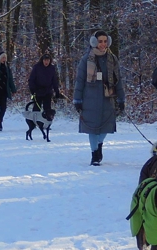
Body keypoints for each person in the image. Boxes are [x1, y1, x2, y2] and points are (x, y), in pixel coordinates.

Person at [73, 30, 125, 166]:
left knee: (106, 126)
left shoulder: (112, 59)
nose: (103, 44)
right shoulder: (86, 59)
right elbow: (80, 81)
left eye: (105, 41)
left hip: (108, 98)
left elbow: (118, 80)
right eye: (100, 41)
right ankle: (94, 154)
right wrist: (77, 100)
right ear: (94, 42)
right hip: (90, 99)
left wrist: (121, 99)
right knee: (92, 128)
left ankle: (99, 145)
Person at [28, 54, 63, 119]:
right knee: (37, 108)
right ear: (42, 60)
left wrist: (57, 91)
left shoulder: (52, 68)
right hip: (38, 90)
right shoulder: (37, 67)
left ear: (50, 61)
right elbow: (31, 79)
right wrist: (32, 90)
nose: (46, 62)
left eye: (48, 60)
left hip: (48, 91)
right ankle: (34, 122)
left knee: (47, 109)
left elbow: (54, 80)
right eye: (45, 60)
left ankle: (47, 123)